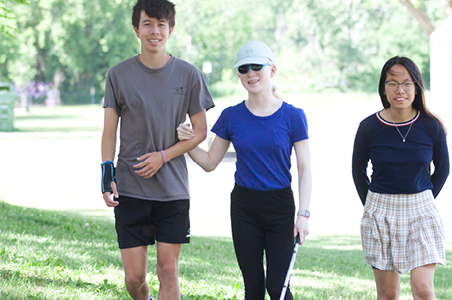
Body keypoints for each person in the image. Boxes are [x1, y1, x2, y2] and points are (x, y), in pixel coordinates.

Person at [176, 41, 311, 300]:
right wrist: (187, 142)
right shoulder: (231, 116)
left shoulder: (294, 116)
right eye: (243, 68)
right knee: (253, 288)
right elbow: (209, 162)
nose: (250, 73)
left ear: (272, 70)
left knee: (278, 287)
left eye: (256, 67)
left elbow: (305, 168)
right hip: (244, 206)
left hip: (280, 206)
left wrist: (303, 215)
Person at [100, 0, 214, 299]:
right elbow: (109, 131)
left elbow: (200, 132)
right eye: (148, 24)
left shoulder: (189, 75)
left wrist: (163, 156)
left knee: (168, 270)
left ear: (171, 29)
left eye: (161, 25)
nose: (155, 31)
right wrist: (106, 174)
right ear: (136, 29)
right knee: (134, 278)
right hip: (131, 188)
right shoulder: (118, 75)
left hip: (172, 190)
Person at [351, 56, 450, 300]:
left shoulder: (431, 126)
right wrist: (373, 204)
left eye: (406, 83)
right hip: (380, 212)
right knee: (388, 294)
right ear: (384, 88)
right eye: (392, 83)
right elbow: (357, 170)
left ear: (416, 87)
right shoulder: (368, 127)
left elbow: (443, 169)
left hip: (421, 212)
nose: (400, 90)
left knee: (423, 288)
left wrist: (423, 197)